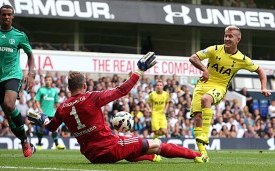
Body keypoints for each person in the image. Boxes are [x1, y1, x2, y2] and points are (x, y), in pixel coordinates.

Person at [28, 52, 202, 163]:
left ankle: (149, 157)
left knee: (130, 145)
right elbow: (122, 90)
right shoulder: (92, 97)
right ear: (85, 85)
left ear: (68, 88)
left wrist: (42, 119)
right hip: (109, 147)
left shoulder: (63, 107)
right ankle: (197, 156)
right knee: (156, 143)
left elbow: (51, 127)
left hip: (91, 156)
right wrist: (139, 71)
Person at [189, 25, 271, 163]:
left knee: (205, 99)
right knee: (197, 117)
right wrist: (204, 68)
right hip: (202, 85)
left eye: (230, 36)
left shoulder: (242, 59)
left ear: (238, 39)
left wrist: (263, 87)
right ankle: (203, 155)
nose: (227, 38)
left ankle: (205, 134)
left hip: (220, 87)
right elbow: (193, 58)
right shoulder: (214, 49)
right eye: (225, 35)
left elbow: (260, 71)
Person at [0, 5, 36, 157]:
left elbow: (30, 55)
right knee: (8, 115)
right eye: (3, 15)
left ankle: (25, 142)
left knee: (9, 104)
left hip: (13, 75)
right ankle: (26, 141)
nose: (5, 17)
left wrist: (31, 74)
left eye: (8, 15)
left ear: (13, 17)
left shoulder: (19, 35)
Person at [35, 75, 65, 150]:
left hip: (52, 113)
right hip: (43, 113)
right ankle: (39, 144)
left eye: (50, 80)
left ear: (51, 81)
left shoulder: (54, 91)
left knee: (54, 128)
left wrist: (59, 110)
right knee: (42, 128)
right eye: (47, 80)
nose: (48, 81)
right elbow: (37, 100)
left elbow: (56, 102)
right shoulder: (41, 90)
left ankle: (57, 144)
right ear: (45, 81)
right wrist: (39, 108)